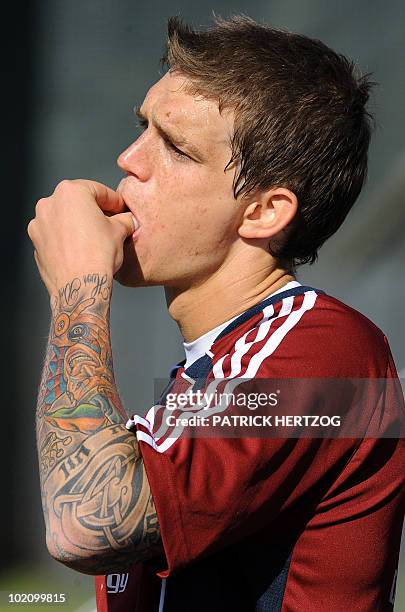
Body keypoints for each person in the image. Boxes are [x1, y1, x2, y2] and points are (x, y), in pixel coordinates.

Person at [27, 15, 404, 612]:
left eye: (174, 147)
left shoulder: (329, 357)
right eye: (140, 129)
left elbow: (87, 527)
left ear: (262, 213)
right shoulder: (206, 378)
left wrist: (79, 286)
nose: (128, 160)